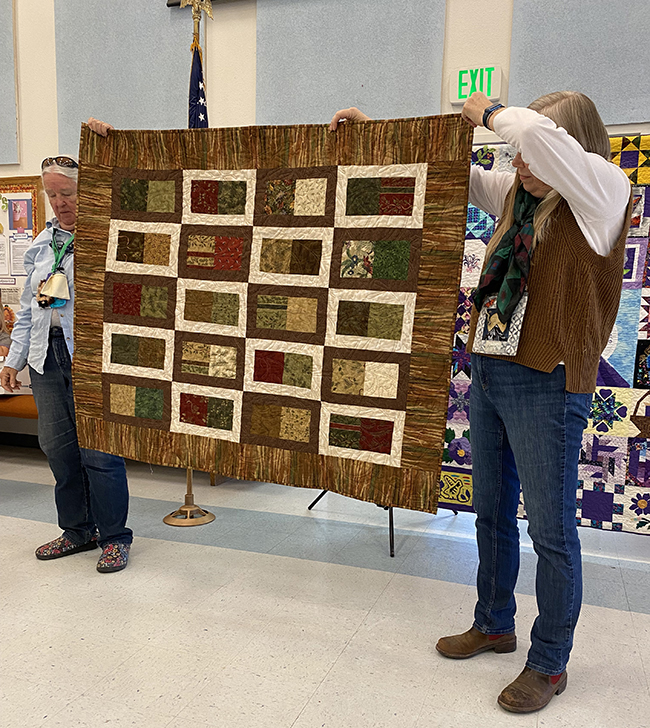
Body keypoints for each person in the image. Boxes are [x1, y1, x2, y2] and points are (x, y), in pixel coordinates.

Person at [330, 92, 631, 713]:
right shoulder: (522, 196)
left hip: (547, 381)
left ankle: (549, 662)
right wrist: (377, 127)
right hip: (492, 369)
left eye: (530, 151)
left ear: (568, 145)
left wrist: (490, 112)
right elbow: (454, 174)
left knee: (551, 532)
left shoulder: (602, 191)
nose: (519, 161)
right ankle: (494, 623)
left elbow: (535, 137)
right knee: (489, 513)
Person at [0, 155, 133, 573]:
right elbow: (28, 310)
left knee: (100, 451)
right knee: (58, 450)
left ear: (86, 190)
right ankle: (77, 530)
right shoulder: (42, 243)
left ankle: (115, 537)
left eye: (68, 193)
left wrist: (105, 147)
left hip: (90, 356)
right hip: (45, 356)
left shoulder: (106, 234)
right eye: (52, 194)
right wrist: (13, 360)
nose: (60, 202)